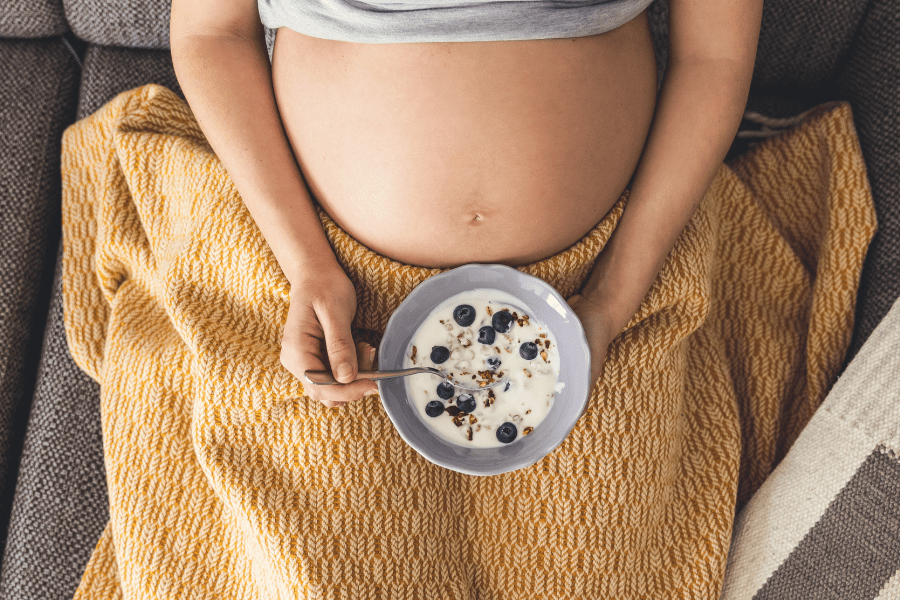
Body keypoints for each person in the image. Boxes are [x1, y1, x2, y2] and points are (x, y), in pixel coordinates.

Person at [169, 0, 764, 409]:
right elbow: (210, 34)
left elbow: (715, 57)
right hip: (319, 271)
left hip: (614, 271)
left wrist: (612, 298)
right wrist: (307, 267)